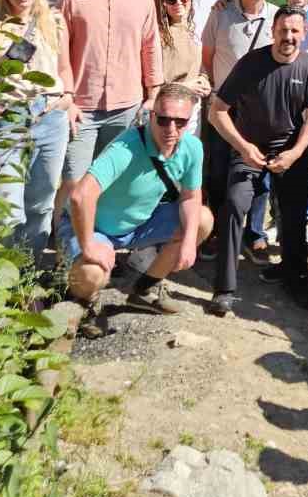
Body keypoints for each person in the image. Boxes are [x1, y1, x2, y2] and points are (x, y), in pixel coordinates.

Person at [61, 83, 212, 336]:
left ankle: (146, 289)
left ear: (189, 121)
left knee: (202, 220)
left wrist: (188, 242)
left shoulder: (192, 147)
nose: (171, 130)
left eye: (180, 122)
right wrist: (89, 246)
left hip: (138, 224)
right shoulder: (127, 147)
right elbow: (80, 195)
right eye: (163, 120)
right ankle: (84, 302)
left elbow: (190, 196)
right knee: (91, 273)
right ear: (152, 116)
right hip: (96, 227)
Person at [205, 7, 308, 318]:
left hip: (289, 152)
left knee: (295, 213)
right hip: (249, 150)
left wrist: (297, 152)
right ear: (273, 31)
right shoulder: (251, 64)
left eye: (295, 31)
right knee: (234, 205)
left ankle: (294, 278)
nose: (288, 37)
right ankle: (224, 288)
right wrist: (243, 147)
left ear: (304, 33)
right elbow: (216, 111)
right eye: (283, 30)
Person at [0, 0, 73, 267]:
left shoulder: (54, 21)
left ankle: (25, 274)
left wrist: (67, 96)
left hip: (49, 115)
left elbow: (65, 66)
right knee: (5, 206)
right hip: (7, 116)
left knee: (41, 203)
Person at [60, 0, 163, 185]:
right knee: (75, 181)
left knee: (114, 181)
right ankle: (64, 227)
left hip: (126, 107)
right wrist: (67, 98)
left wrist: (153, 95)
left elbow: (150, 48)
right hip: (82, 107)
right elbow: (60, 55)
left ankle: (101, 226)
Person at [200, 0, 277, 263]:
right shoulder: (221, 13)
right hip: (223, 108)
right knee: (218, 170)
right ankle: (218, 233)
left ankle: (254, 234)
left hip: (260, 111)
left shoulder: (276, 17)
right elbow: (207, 56)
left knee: (259, 173)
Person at [153, 0, 210, 131]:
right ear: (163, 3)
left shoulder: (194, 29)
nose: (178, 3)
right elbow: (155, 84)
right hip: (169, 112)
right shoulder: (159, 36)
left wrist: (203, 79)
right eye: (172, 0)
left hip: (193, 108)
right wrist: (187, 86)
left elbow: (199, 65)